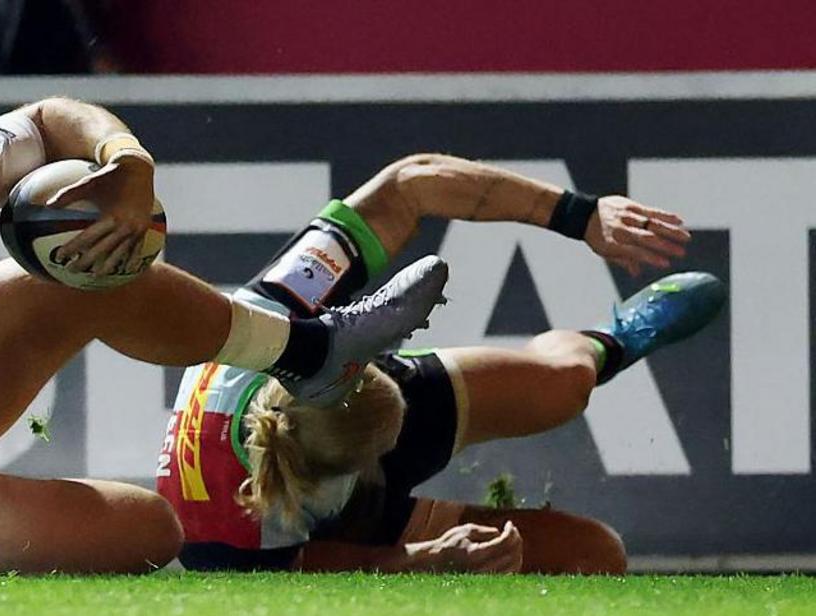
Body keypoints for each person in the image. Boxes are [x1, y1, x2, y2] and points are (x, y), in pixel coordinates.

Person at [0, 71, 448, 575]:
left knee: (82, 268)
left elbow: (46, 116)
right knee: (154, 529)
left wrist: (127, 162)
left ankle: (309, 352)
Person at [156, 153, 724, 574]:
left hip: (332, 428)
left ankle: (611, 342)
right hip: (336, 521)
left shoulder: (274, 309)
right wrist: (422, 558)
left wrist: (582, 215)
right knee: (595, 555)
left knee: (565, 387)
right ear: (347, 473)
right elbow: (306, 570)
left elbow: (410, 183)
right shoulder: (223, 532)